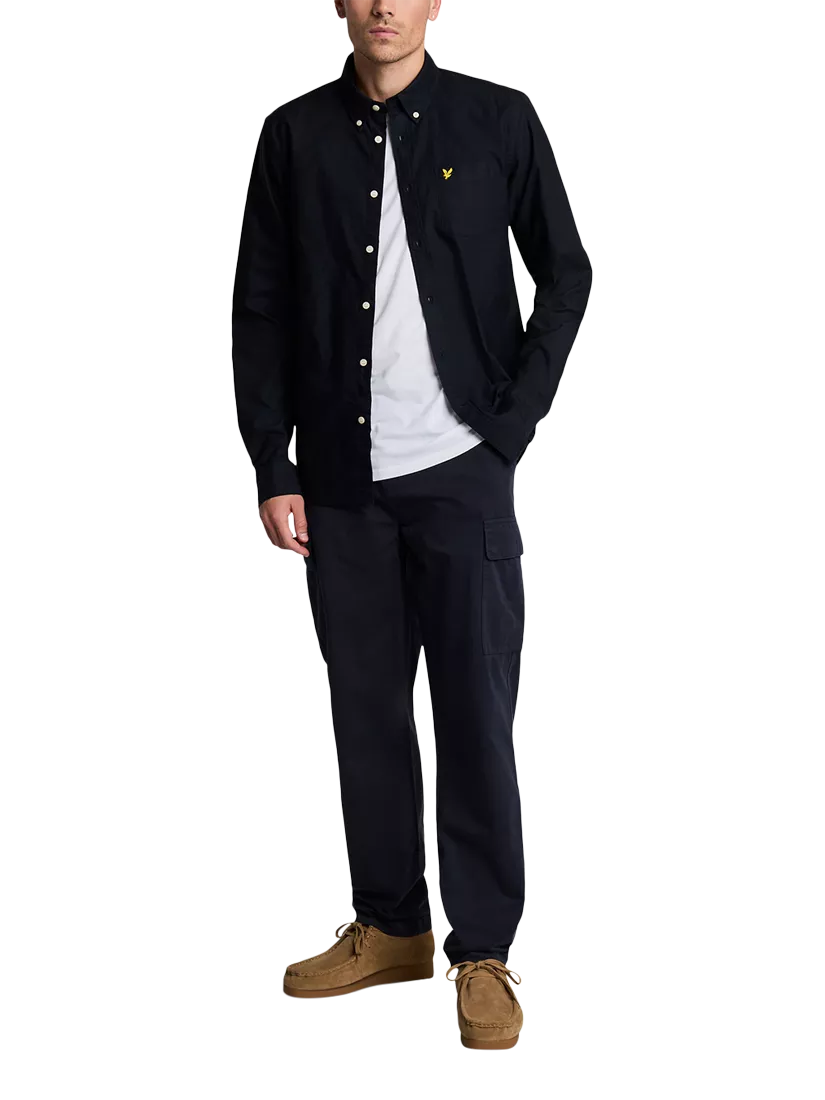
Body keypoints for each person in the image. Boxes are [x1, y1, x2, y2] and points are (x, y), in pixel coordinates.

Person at [231, 0, 591, 1051]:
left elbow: (565, 271)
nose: (384, 6)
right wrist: (273, 461)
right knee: (367, 712)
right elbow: (260, 304)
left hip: (459, 475)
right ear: (340, 4)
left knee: (474, 711)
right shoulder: (293, 135)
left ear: (435, 2)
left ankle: (483, 951)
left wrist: (508, 427)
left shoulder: (498, 120)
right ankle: (391, 924)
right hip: (340, 480)